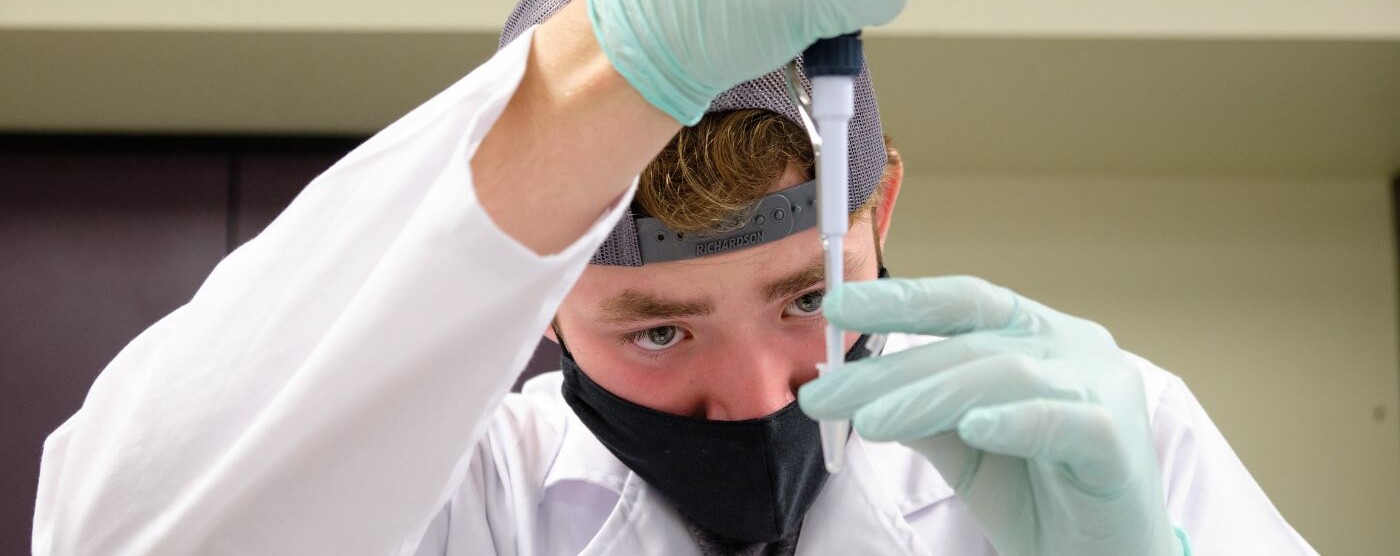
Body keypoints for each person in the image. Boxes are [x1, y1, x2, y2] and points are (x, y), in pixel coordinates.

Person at [32, 1, 1318, 555]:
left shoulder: (1108, 444)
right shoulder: (456, 501)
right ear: (534, 299)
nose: (763, 395)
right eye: (655, 331)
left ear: (879, 207)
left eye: (808, 298)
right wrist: (618, 62)